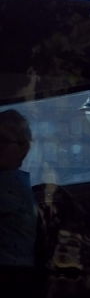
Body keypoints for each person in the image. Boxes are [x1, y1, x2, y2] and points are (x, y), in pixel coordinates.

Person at [0, 108, 36, 267]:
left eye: (3, 141)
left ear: (23, 148)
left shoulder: (11, 182)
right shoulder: (21, 180)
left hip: (11, 277)